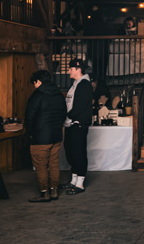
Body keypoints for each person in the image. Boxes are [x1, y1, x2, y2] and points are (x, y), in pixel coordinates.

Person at [24, 70, 67, 202]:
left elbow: (29, 117)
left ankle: (44, 193)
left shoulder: (37, 95)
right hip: (57, 136)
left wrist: (30, 133)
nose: (34, 86)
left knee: (41, 165)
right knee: (54, 163)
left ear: (38, 81)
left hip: (40, 137)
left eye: (34, 83)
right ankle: (54, 191)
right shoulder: (59, 95)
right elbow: (63, 114)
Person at [59, 59, 93, 195]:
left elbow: (79, 107)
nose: (69, 71)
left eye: (71, 68)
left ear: (78, 70)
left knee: (78, 153)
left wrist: (68, 117)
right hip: (71, 123)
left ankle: (80, 184)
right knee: (70, 152)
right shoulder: (75, 84)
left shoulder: (84, 84)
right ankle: (73, 181)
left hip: (78, 124)